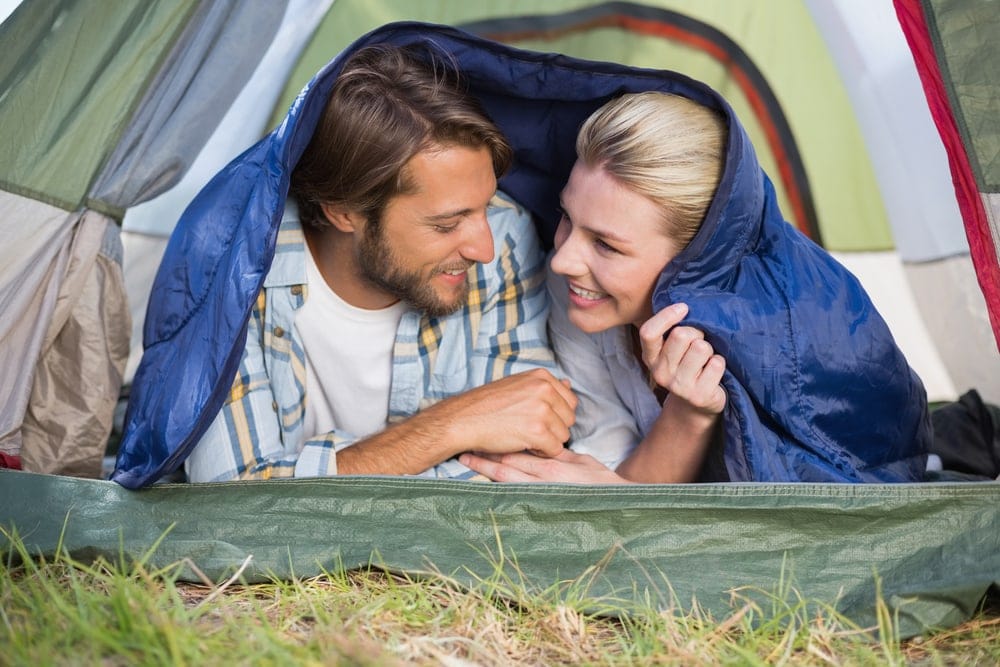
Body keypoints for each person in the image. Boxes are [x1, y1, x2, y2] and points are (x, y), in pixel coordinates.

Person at [460, 91, 931, 483]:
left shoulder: (792, 331)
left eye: (606, 245)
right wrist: (688, 414)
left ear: (697, 256)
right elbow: (615, 474)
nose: (563, 259)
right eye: (567, 217)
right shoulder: (577, 293)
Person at [181, 44, 577, 481]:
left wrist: (314, 477)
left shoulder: (504, 235)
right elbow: (233, 495)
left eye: (485, 204)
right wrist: (449, 426)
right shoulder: (233, 272)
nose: (483, 250)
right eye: (447, 224)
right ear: (343, 211)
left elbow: (525, 463)